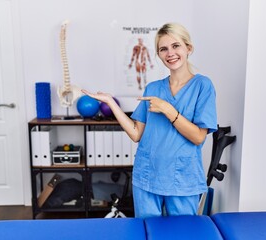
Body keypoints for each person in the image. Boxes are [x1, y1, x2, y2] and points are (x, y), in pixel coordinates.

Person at [82, 23, 217, 219]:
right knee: (147, 232)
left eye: (176, 45)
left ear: (188, 48)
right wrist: (111, 103)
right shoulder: (153, 88)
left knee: (182, 235)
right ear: (159, 55)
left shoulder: (203, 86)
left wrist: (169, 110)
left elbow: (198, 137)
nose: (170, 53)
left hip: (182, 179)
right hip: (147, 177)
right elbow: (137, 133)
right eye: (163, 49)